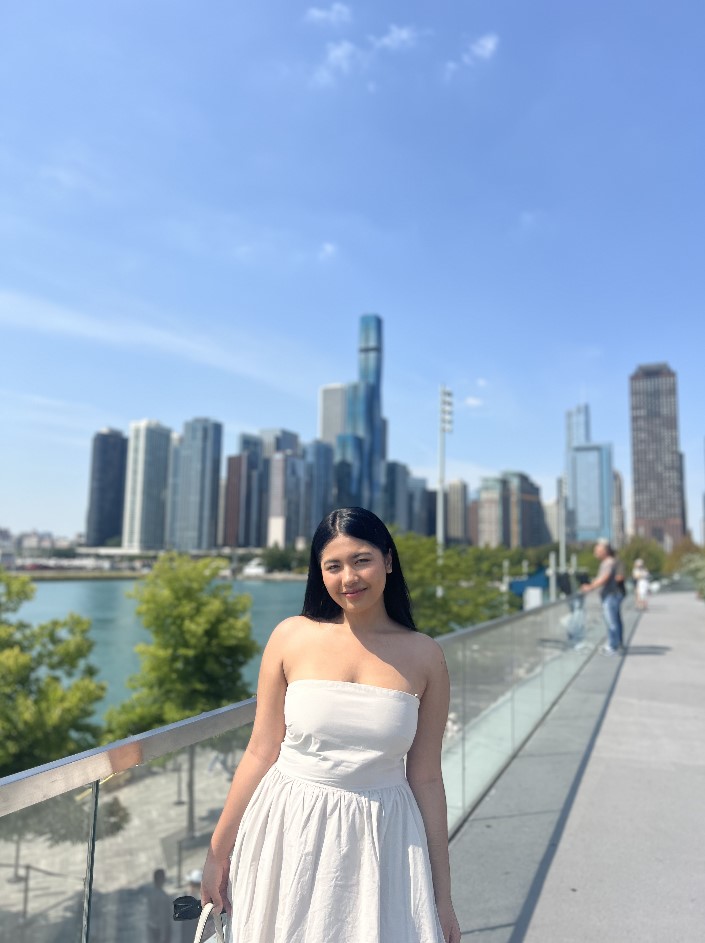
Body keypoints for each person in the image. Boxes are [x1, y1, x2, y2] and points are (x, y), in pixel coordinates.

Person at [201, 507, 461, 943]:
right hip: (287, 826)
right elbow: (261, 749)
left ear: (388, 561)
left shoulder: (425, 656)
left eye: (362, 560)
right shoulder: (291, 636)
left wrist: (442, 897)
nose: (349, 578)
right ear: (318, 573)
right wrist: (217, 853)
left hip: (384, 834)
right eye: (333, 566)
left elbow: (427, 777)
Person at [581, 538, 624, 655]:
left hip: (611, 595)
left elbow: (604, 578)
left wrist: (590, 587)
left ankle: (613, 646)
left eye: (597, 550)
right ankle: (614, 644)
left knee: (611, 621)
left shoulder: (608, 562)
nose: (595, 552)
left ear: (604, 551)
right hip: (610, 595)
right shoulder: (607, 562)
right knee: (613, 621)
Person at [145, 868, 172, 943]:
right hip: (161, 931)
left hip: (152, 928)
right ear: (161, 879)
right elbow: (162, 917)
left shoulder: (150, 894)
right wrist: (163, 937)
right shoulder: (163, 897)